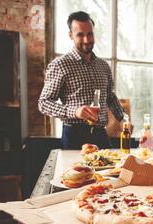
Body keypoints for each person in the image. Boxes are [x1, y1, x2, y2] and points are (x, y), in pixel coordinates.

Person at [38, 11, 124, 149]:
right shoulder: (60, 65)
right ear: (71, 35)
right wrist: (75, 111)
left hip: (101, 134)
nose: (86, 39)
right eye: (80, 34)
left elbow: (110, 97)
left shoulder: (103, 66)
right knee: (77, 171)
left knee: (112, 171)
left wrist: (123, 119)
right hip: (74, 136)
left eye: (90, 34)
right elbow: (44, 103)